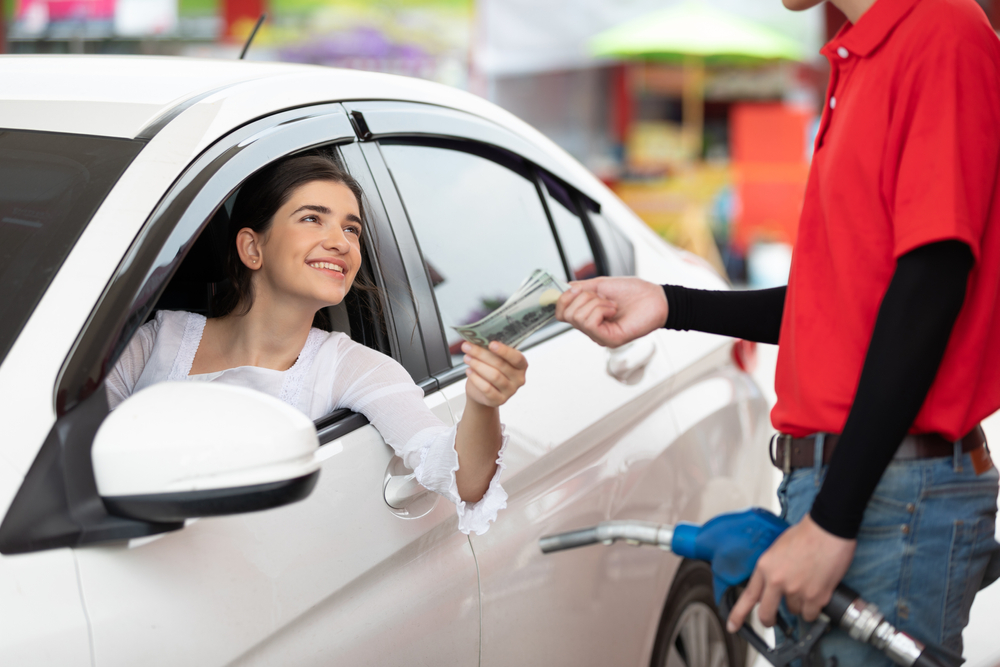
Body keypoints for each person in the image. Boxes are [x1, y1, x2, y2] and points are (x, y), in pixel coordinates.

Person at [557, 0, 1000, 662]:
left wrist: (833, 519)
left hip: (886, 494)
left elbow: (929, 287)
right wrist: (669, 302)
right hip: (862, 486)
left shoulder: (941, 31)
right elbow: (841, 305)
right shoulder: (861, 54)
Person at [105, 153, 527, 535]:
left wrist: (483, 402)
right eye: (312, 219)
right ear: (253, 247)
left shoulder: (355, 367)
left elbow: (460, 478)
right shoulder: (152, 343)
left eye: (351, 228)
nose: (341, 242)